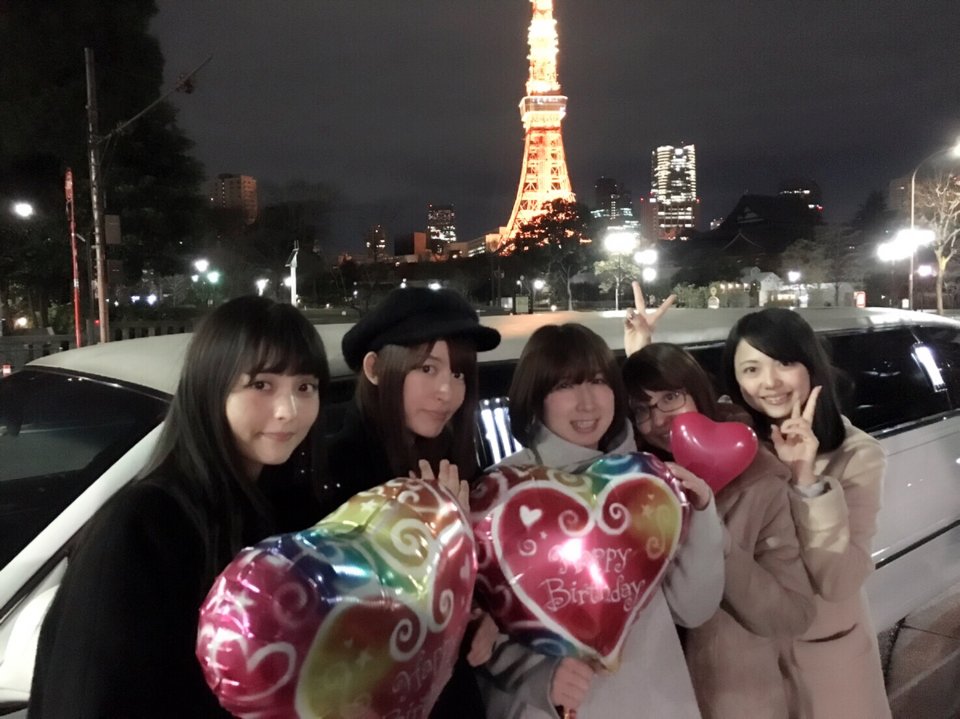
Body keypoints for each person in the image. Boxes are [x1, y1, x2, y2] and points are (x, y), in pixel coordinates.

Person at [29, 296, 330, 718]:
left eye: (305, 387)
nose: (289, 410)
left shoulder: (296, 513)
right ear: (210, 387)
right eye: (261, 385)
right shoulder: (143, 527)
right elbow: (88, 697)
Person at [478, 322, 725, 719]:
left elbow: (693, 609)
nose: (587, 403)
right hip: (557, 706)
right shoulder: (505, 490)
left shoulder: (645, 481)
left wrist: (701, 510)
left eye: (597, 381)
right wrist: (538, 677)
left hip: (658, 700)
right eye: (564, 386)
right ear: (535, 396)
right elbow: (476, 630)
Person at [326, 286, 502, 719]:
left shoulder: (455, 462)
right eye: (427, 368)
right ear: (374, 368)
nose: (447, 391)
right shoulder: (330, 474)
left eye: (459, 373)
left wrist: (487, 617)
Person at [623, 342, 816, 718]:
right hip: (650, 698)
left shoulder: (759, 483)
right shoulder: (631, 480)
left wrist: (715, 539)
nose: (658, 420)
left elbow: (794, 614)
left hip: (732, 699)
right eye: (642, 409)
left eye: (671, 398)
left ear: (699, 392)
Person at [722, 308, 891, 719]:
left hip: (824, 663)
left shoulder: (856, 454)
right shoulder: (732, 440)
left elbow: (839, 581)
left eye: (784, 363)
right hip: (748, 663)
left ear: (810, 366)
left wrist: (806, 479)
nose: (769, 382)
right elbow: (667, 420)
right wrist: (643, 355)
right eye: (751, 369)